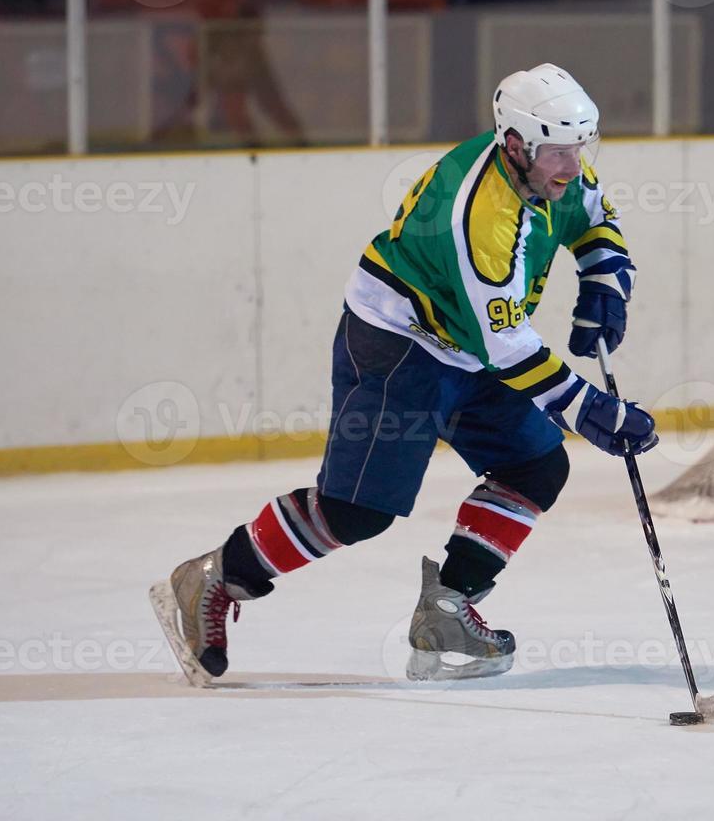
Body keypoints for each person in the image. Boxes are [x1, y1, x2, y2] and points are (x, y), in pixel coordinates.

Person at [156, 64, 658, 681]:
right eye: (558, 151)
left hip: (466, 343)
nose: (573, 165)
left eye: (581, 147)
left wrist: (607, 282)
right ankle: (216, 578)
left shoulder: (551, 170)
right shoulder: (479, 215)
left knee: (537, 465)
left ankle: (449, 608)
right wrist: (589, 410)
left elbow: (594, 219)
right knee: (357, 512)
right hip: (399, 343)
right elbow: (505, 346)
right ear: (516, 143)